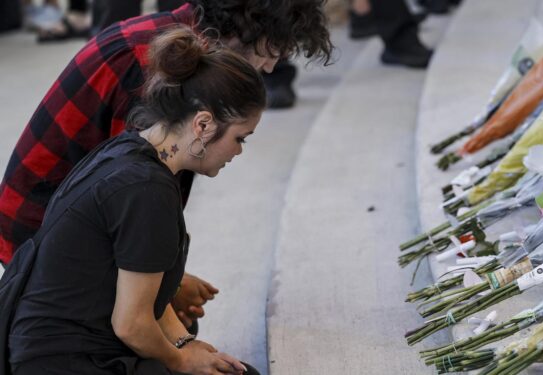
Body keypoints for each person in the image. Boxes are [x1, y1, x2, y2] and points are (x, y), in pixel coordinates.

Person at [0, 0, 332, 331]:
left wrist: (166, 283)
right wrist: (167, 289)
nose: (271, 68)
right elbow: (125, 201)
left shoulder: (184, 46)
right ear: (252, 25)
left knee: (176, 325)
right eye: (272, 51)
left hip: (75, 222)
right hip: (39, 238)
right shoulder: (153, 62)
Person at [8, 25, 265, 375]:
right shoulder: (146, 189)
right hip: (63, 361)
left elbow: (149, 299)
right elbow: (131, 324)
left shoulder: (130, 150)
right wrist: (180, 359)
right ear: (204, 125)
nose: (238, 152)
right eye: (240, 138)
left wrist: (185, 345)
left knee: (200, 345)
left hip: (48, 345)